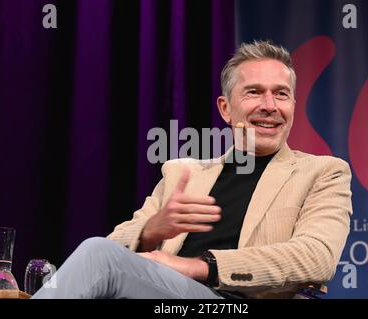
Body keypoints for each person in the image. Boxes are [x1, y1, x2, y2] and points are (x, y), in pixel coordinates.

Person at [33, 40, 352, 299]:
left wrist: (199, 267)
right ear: (226, 109)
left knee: (97, 255)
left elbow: (316, 257)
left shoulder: (323, 172)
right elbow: (108, 259)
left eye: (281, 94)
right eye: (254, 92)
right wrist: (150, 231)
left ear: (293, 106)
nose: (270, 105)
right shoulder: (183, 173)